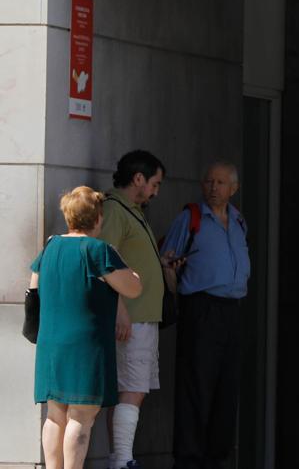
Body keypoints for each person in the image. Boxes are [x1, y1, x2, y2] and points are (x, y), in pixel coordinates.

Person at [31, 187, 143, 469]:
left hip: (51, 341)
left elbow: (33, 287)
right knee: (81, 415)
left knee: (55, 415)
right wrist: (130, 269)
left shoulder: (51, 245)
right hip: (86, 344)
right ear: (96, 218)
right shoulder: (98, 250)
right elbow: (133, 288)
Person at [161, 161, 251, 469]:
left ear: (234, 189)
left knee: (227, 386)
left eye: (221, 183)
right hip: (201, 308)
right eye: (209, 182)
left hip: (232, 310)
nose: (213, 188)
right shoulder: (191, 218)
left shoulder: (239, 221)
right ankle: (189, 459)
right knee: (196, 385)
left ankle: (217, 457)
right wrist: (172, 280)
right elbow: (167, 263)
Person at [97, 150, 167, 469]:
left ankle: (121, 458)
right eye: (154, 183)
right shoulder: (116, 210)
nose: (155, 191)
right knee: (133, 389)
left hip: (142, 316)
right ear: (138, 179)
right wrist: (120, 308)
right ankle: (123, 460)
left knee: (132, 388)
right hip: (132, 317)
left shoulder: (131, 210)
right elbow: (104, 260)